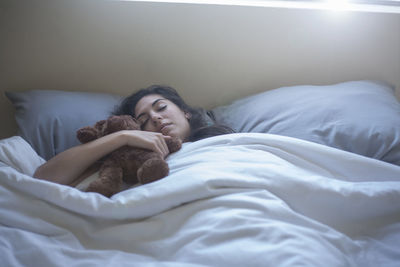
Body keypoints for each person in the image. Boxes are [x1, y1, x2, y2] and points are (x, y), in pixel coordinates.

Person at [33, 85, 234, 186]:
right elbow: (44, 178)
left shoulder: (222, 143)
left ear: (185, 112)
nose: (155, 118)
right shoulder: (130, 164)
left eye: (161, 107)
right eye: (143, 120)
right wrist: (121, 137)